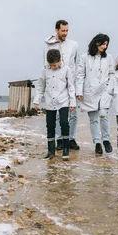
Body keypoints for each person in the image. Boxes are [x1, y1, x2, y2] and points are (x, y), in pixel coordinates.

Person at [33, 49, 76, 160]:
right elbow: (41, 86)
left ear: (60, 60)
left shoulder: (66, 70)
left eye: (54, 65)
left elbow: (71, 87)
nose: (52, 67)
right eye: (50, 65)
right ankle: (51, 151)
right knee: (50, 126)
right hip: (49, 101)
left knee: (64, 123)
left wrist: (73, 102)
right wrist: (37, 100)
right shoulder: (45, 70)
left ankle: (66, 150)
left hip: (63, 101)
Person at [43, 20, 80, 151]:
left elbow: (77, 65)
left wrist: (78, 87)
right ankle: (59, 139)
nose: (65, 33)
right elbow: (46, 64)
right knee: (58, 114)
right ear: (56, 30)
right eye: (63, 31)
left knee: (73, 112)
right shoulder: (48, 45)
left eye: (67, 31)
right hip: (56, 83)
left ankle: (71, 138)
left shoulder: (74, 45)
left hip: (71, 82)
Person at [76, 33, 115, 154]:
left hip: (104, 91)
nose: (105, 46)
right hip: (90, 91)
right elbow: (80, 75)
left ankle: (106, 140)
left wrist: (109, 88)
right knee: (93, 119)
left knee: (103, 115)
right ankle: (97, 143)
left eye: (106, 44)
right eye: (103, 44)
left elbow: (112, 74)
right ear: (96, 43)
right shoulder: (84, 57)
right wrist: (79, 91)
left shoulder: (108, 58)